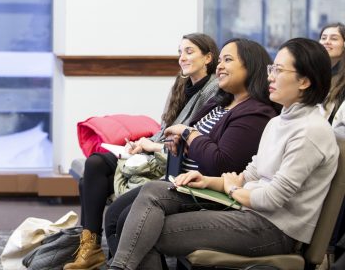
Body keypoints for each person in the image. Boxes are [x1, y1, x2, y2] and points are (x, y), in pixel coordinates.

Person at [108, 38, 338, 270]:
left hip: (274, 229)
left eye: (278, 70)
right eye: (272, 69)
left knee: (147, 231)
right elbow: (250, 175)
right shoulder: (279, 122)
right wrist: (208, 181)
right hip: (249, 212)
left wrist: (232, 189)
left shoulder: (311, 131)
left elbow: (272, 199)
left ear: (304, 81)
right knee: (152, 192)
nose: (270, 76)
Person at [104, 38, 279, 257]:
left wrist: (189, 134)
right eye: (220, 60)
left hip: (206, 190)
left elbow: (220, 163)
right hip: (179, 179)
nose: (220, 66)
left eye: (228, 60)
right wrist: (178, 140)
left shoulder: (255, 113)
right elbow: (191, 139)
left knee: (129, 220)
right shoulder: (220, 101)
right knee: (114, 216)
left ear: (250, 66)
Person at [63, 33, 220, 270]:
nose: (182, 58)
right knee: (94, 165)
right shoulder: (183, 83)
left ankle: (95, 251)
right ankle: (91, 248)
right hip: (155, 152)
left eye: (189, 52)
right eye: (180, 52)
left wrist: (152, 146)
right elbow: (166, 128)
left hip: (170, 161)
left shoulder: (213, 89)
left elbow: (188, 139)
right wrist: (142, 143)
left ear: (208, 57)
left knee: (92, 176)